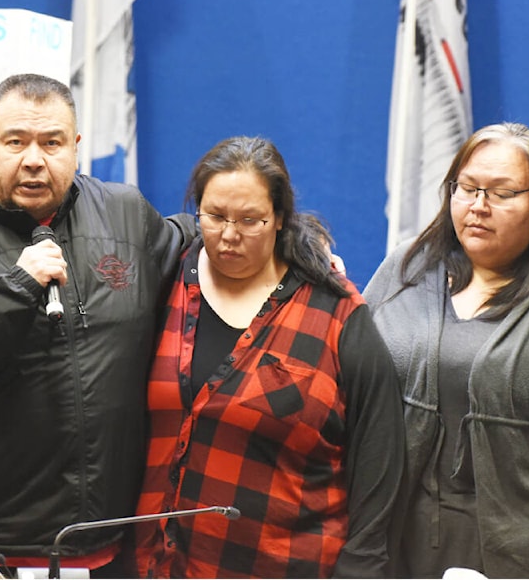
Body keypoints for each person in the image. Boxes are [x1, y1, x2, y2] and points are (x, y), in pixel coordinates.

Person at [0, 73, 196, 577]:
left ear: (75, 147)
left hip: (107, 538)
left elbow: (202, 238)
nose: (34, 159)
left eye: (51, 143)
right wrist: (16, 289)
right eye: (15, 142)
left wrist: (293, 250)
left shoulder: (125, 214)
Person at [133, 136, 404, 579]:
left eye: (250, 220)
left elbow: (381, 460)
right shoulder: (163, 280)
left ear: (280, 218)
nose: (229, 235)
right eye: (215, 216)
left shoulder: (335, 314)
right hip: (152, 565)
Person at [363, 122, 529, 579]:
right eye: (467, 188)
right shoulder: (405, 267)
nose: (478, 207)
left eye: (501, 193)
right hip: (402, 542)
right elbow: (352, 384)